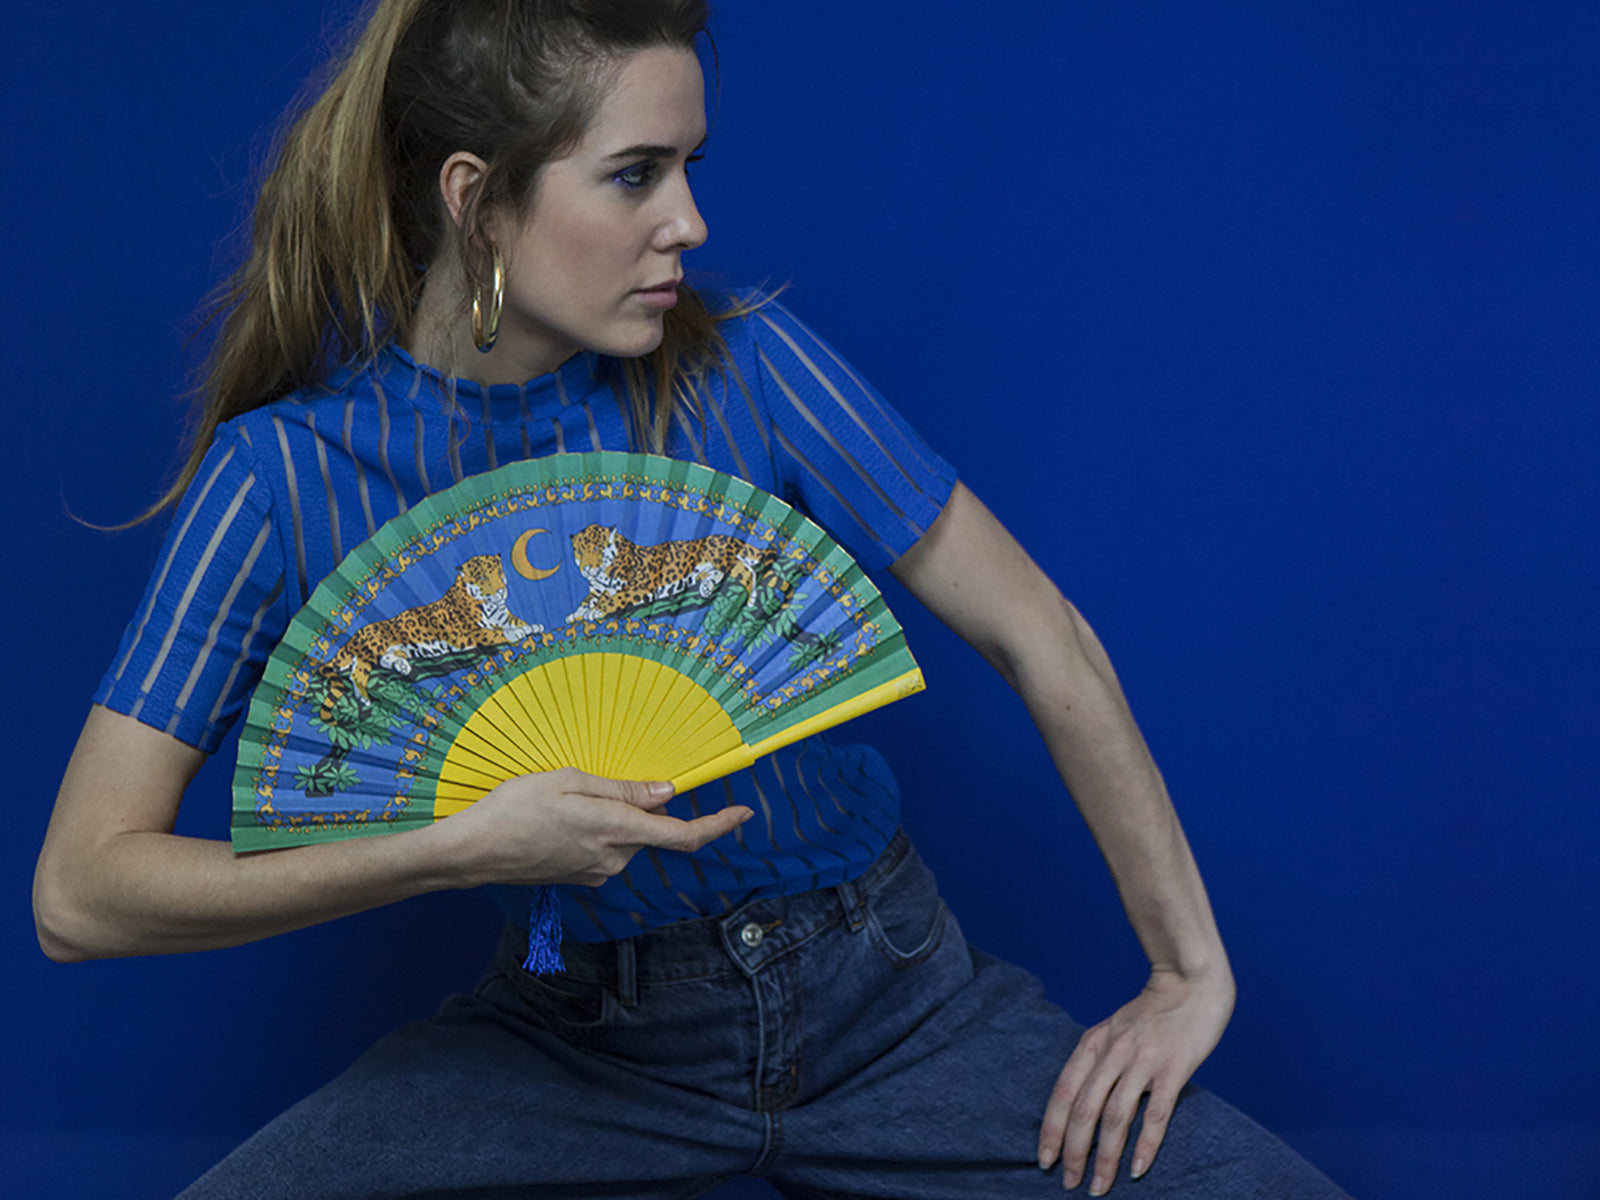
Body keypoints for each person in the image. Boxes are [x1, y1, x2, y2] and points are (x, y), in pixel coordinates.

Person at [33, 1, 1347, 1195]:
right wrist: (459, 848)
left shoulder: (755, 369)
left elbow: (1042, 638)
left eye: (688, 167)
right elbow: (83, 896)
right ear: (478, 204)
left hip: (892, 999)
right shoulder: (286, 480)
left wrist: (1187, 973)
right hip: (568, 1031)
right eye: (633, 175)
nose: (691, 223)